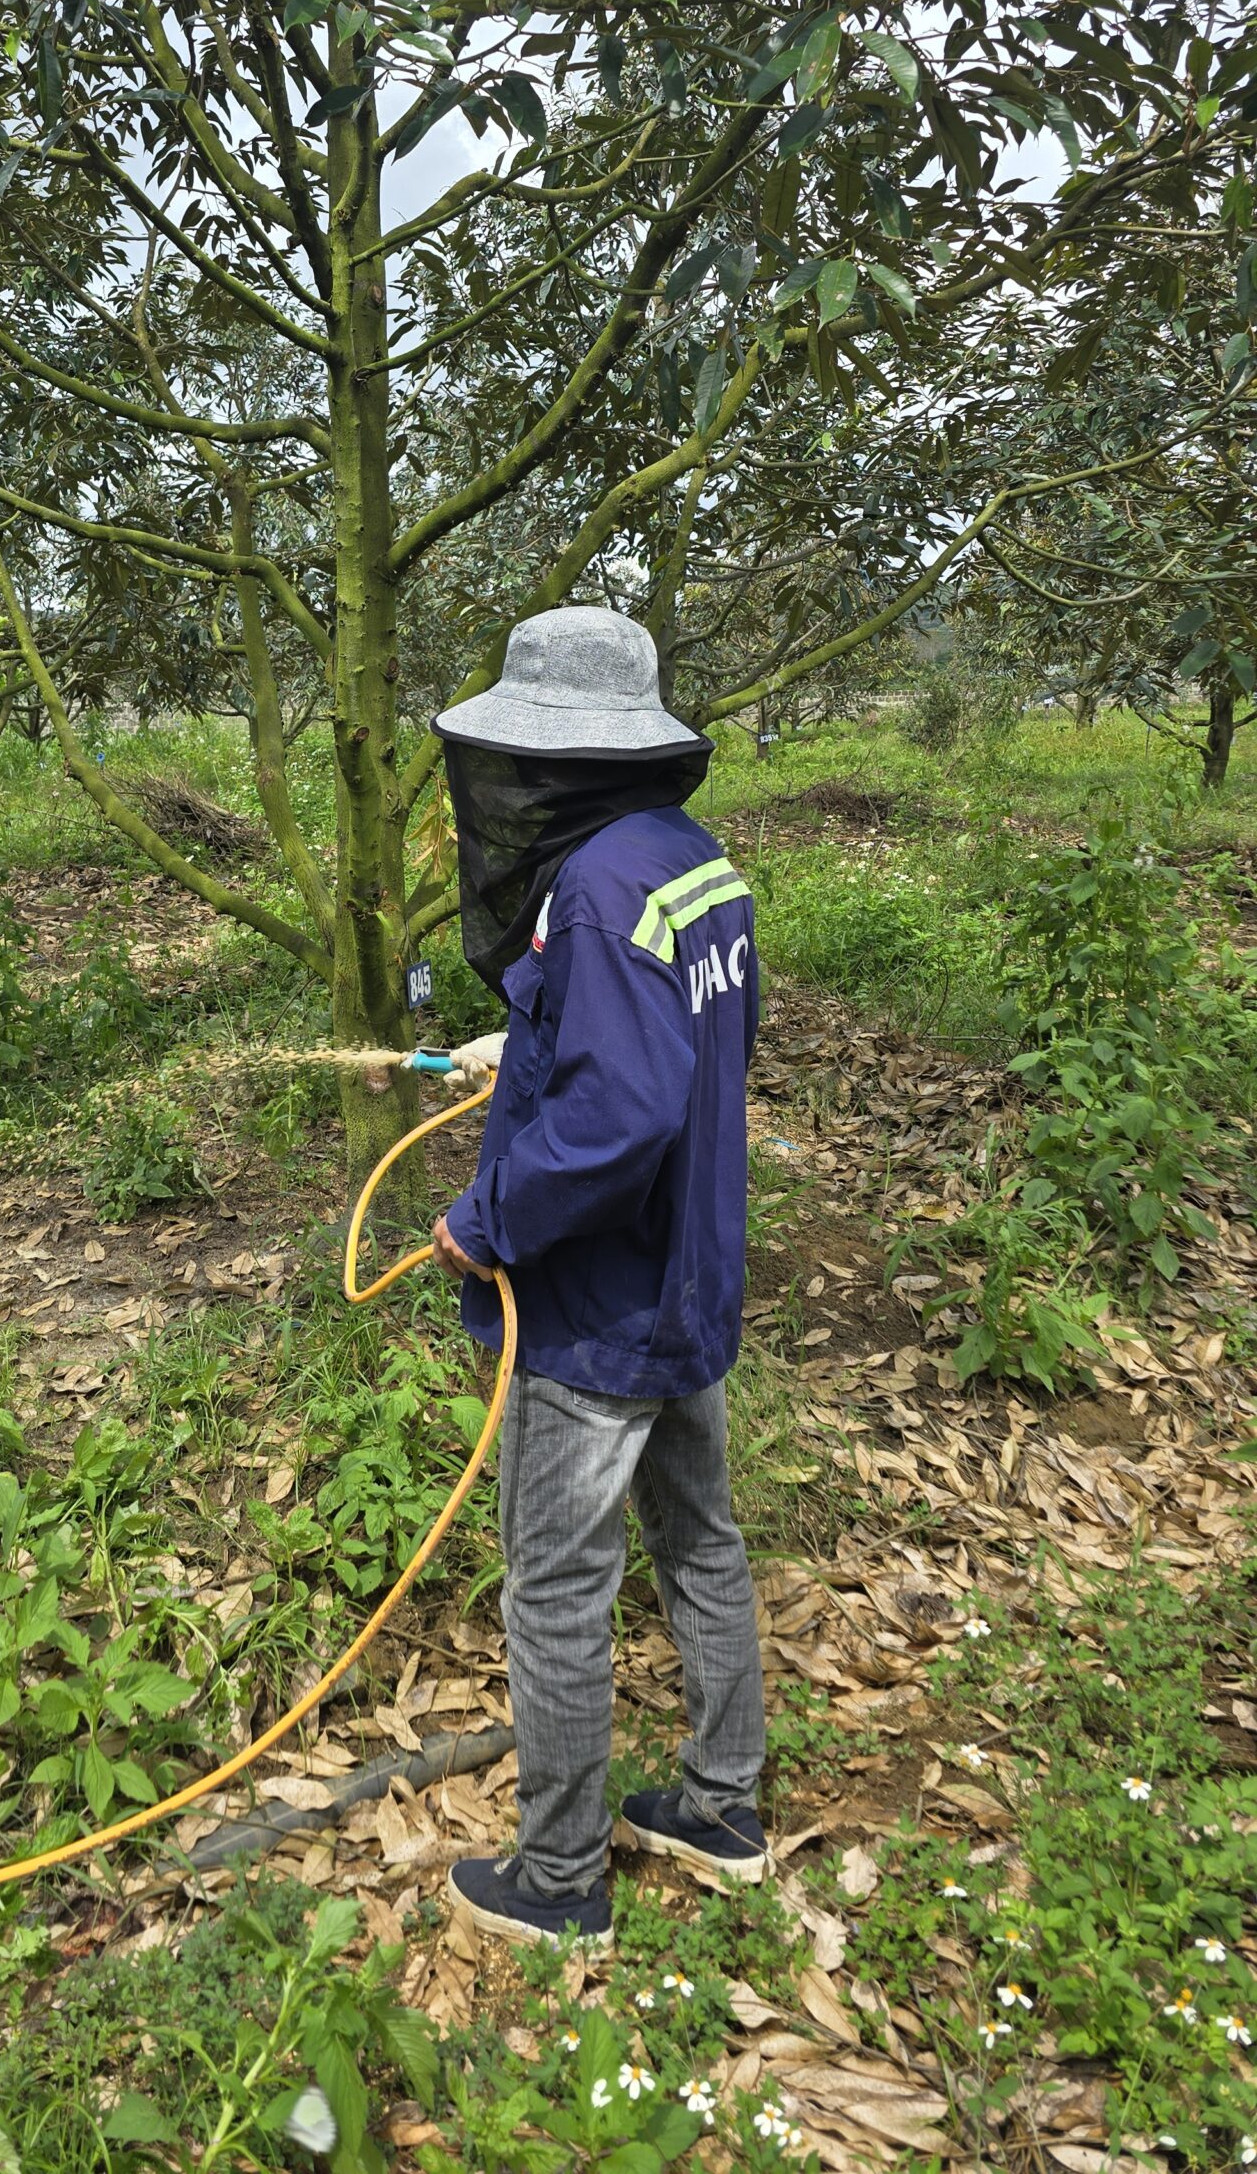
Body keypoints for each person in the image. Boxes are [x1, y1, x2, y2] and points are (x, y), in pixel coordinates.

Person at [425, 606, 769, 1951]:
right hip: (692, 1277)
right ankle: (724, 1807)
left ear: (558, 757)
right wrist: (522, 1043)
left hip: (597, 1306)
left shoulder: (598, 888)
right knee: (701, 1539)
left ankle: (562, 1880)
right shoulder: (690, 860)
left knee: (556, 1585)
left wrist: (487, 1220)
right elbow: (677, 1040)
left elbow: (619, 1115)